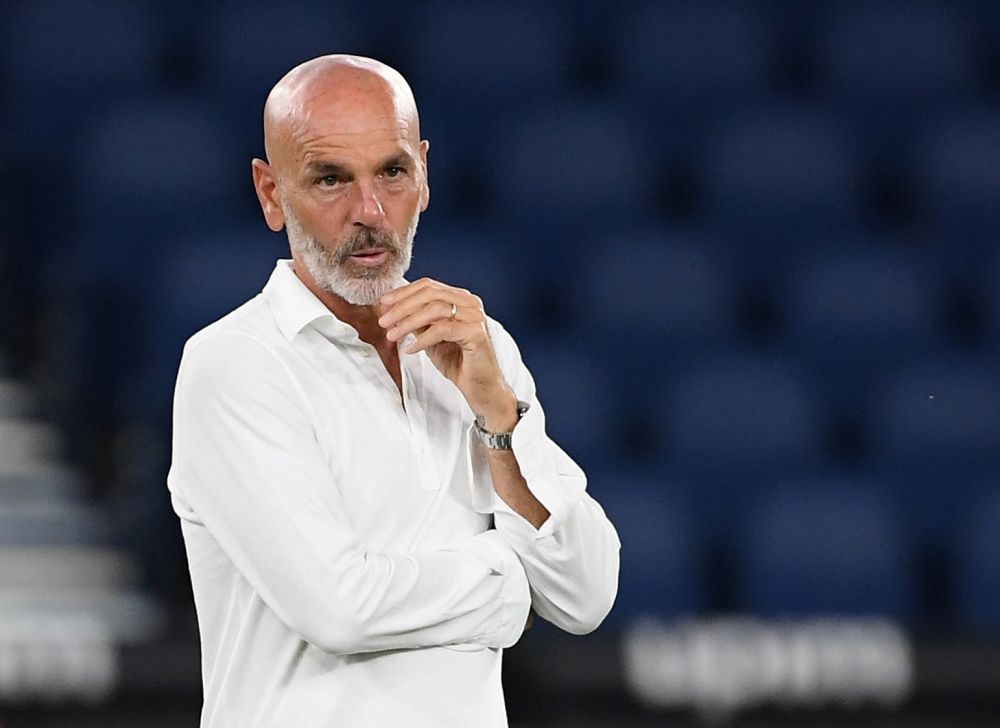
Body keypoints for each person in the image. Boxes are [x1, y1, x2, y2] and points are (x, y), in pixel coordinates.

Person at [167, 54, 620, 728]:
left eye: (393, 171)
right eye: (330, 179)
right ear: (270, 193)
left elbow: (584, 595)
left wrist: (499, 421)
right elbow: (340, 607)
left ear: (425, 173)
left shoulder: (476, 344)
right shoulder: (233, 364)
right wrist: (508, 587)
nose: (369, 211)